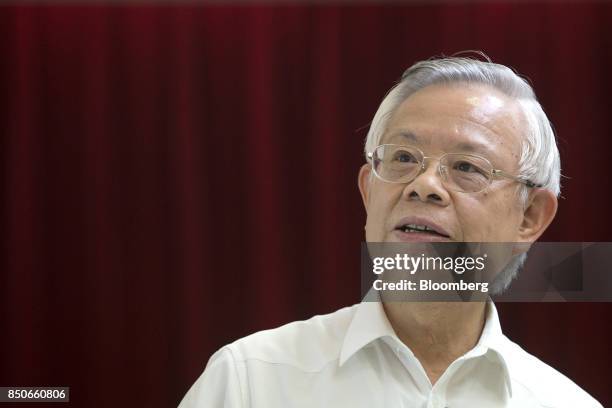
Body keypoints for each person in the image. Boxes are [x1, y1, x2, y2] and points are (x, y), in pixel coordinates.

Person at [178, 55, 603, 407]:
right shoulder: (250, 382)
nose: (424, 185)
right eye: (402, 157)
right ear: (369, 192)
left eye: (466, 167)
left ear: (529, 217)